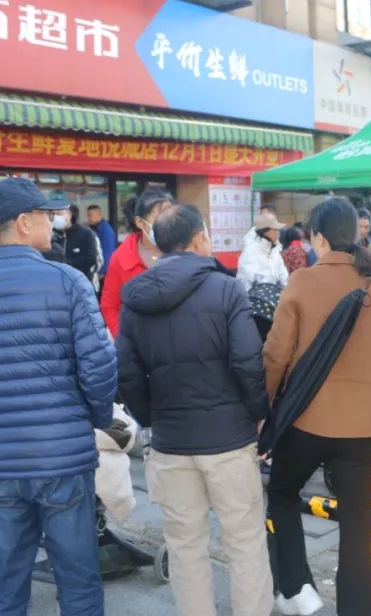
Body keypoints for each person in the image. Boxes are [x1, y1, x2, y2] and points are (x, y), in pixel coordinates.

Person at [0, 177, 118, 615]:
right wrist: (91, 418)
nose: (53, 223)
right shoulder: (68, 281)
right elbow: (99, 366)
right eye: (47, 216)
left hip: (0, 461)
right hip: (63, 458)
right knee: (78, 578)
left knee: (6, 575)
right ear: (23, 222)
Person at [117, 204, 273, 616]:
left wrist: (152, 418)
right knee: (245, 542)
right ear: (200, 238)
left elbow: (127, 374)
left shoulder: (135, 299)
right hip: (229, 439)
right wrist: (258, 412)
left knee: (185, 546)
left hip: (170, 441)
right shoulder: (226, 289)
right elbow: (247, 362)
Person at [264, 198, 371, 616]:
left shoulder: (301, 282)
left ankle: (298, 588)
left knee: (282, 492)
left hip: (305, 420)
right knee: (357, 523)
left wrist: (266, 407)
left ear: (319, 238)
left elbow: (275, 356)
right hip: (362, 427)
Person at [100, 189, 175, 337]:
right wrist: (124, 339)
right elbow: (110, 306)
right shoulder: (121, 258)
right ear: (140, 222)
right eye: (160, 217)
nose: (166, 223)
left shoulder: (183, 249)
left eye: (170, 216)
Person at [237, 211, 289, 290]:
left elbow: (284, 277)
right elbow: (246, 282)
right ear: (265, 231)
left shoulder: (275, 251)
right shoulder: (250, 251)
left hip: (276, 295)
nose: (278, 233)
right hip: (255, 296)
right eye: (275, 229)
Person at [57, 205, 100, 282]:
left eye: (59, 214)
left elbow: (91, 259)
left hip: (81, 282)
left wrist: (66, 266)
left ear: (69, 215)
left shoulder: (86, 234)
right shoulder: (53, 235)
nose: (55, 217)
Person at [85, 205, 117, 281]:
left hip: (104, 273)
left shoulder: (106, 231)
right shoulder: (94, 228)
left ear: (98, 215)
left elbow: (108, 252)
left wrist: (101, 272)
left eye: (90, 216)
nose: (88, 218)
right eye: (88, 215)